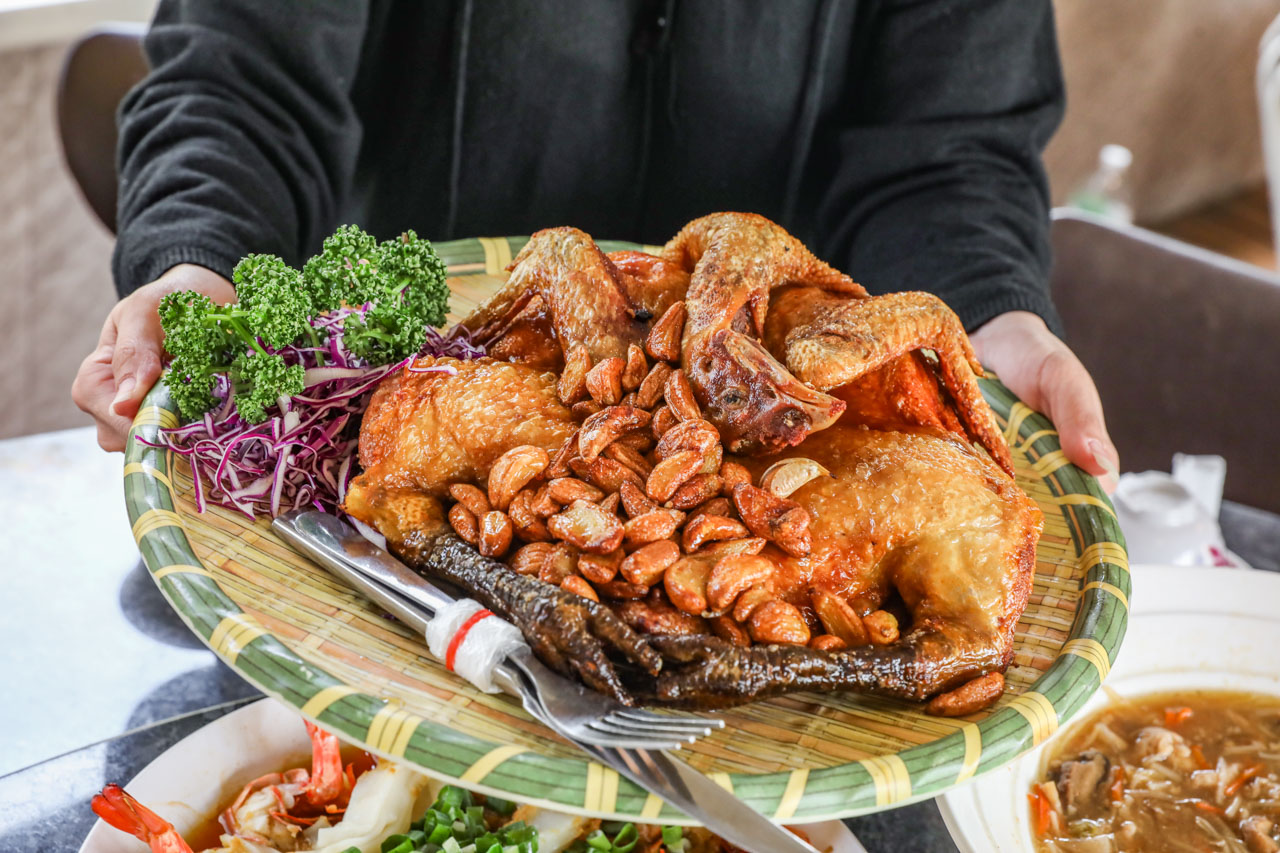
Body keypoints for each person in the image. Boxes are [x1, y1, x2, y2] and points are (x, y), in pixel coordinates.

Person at [72, 0, 1119, 488]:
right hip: (379, 453)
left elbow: (945, 153)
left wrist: (986, 313)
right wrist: (197, 259)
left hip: (766, 464)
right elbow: (245, 78)